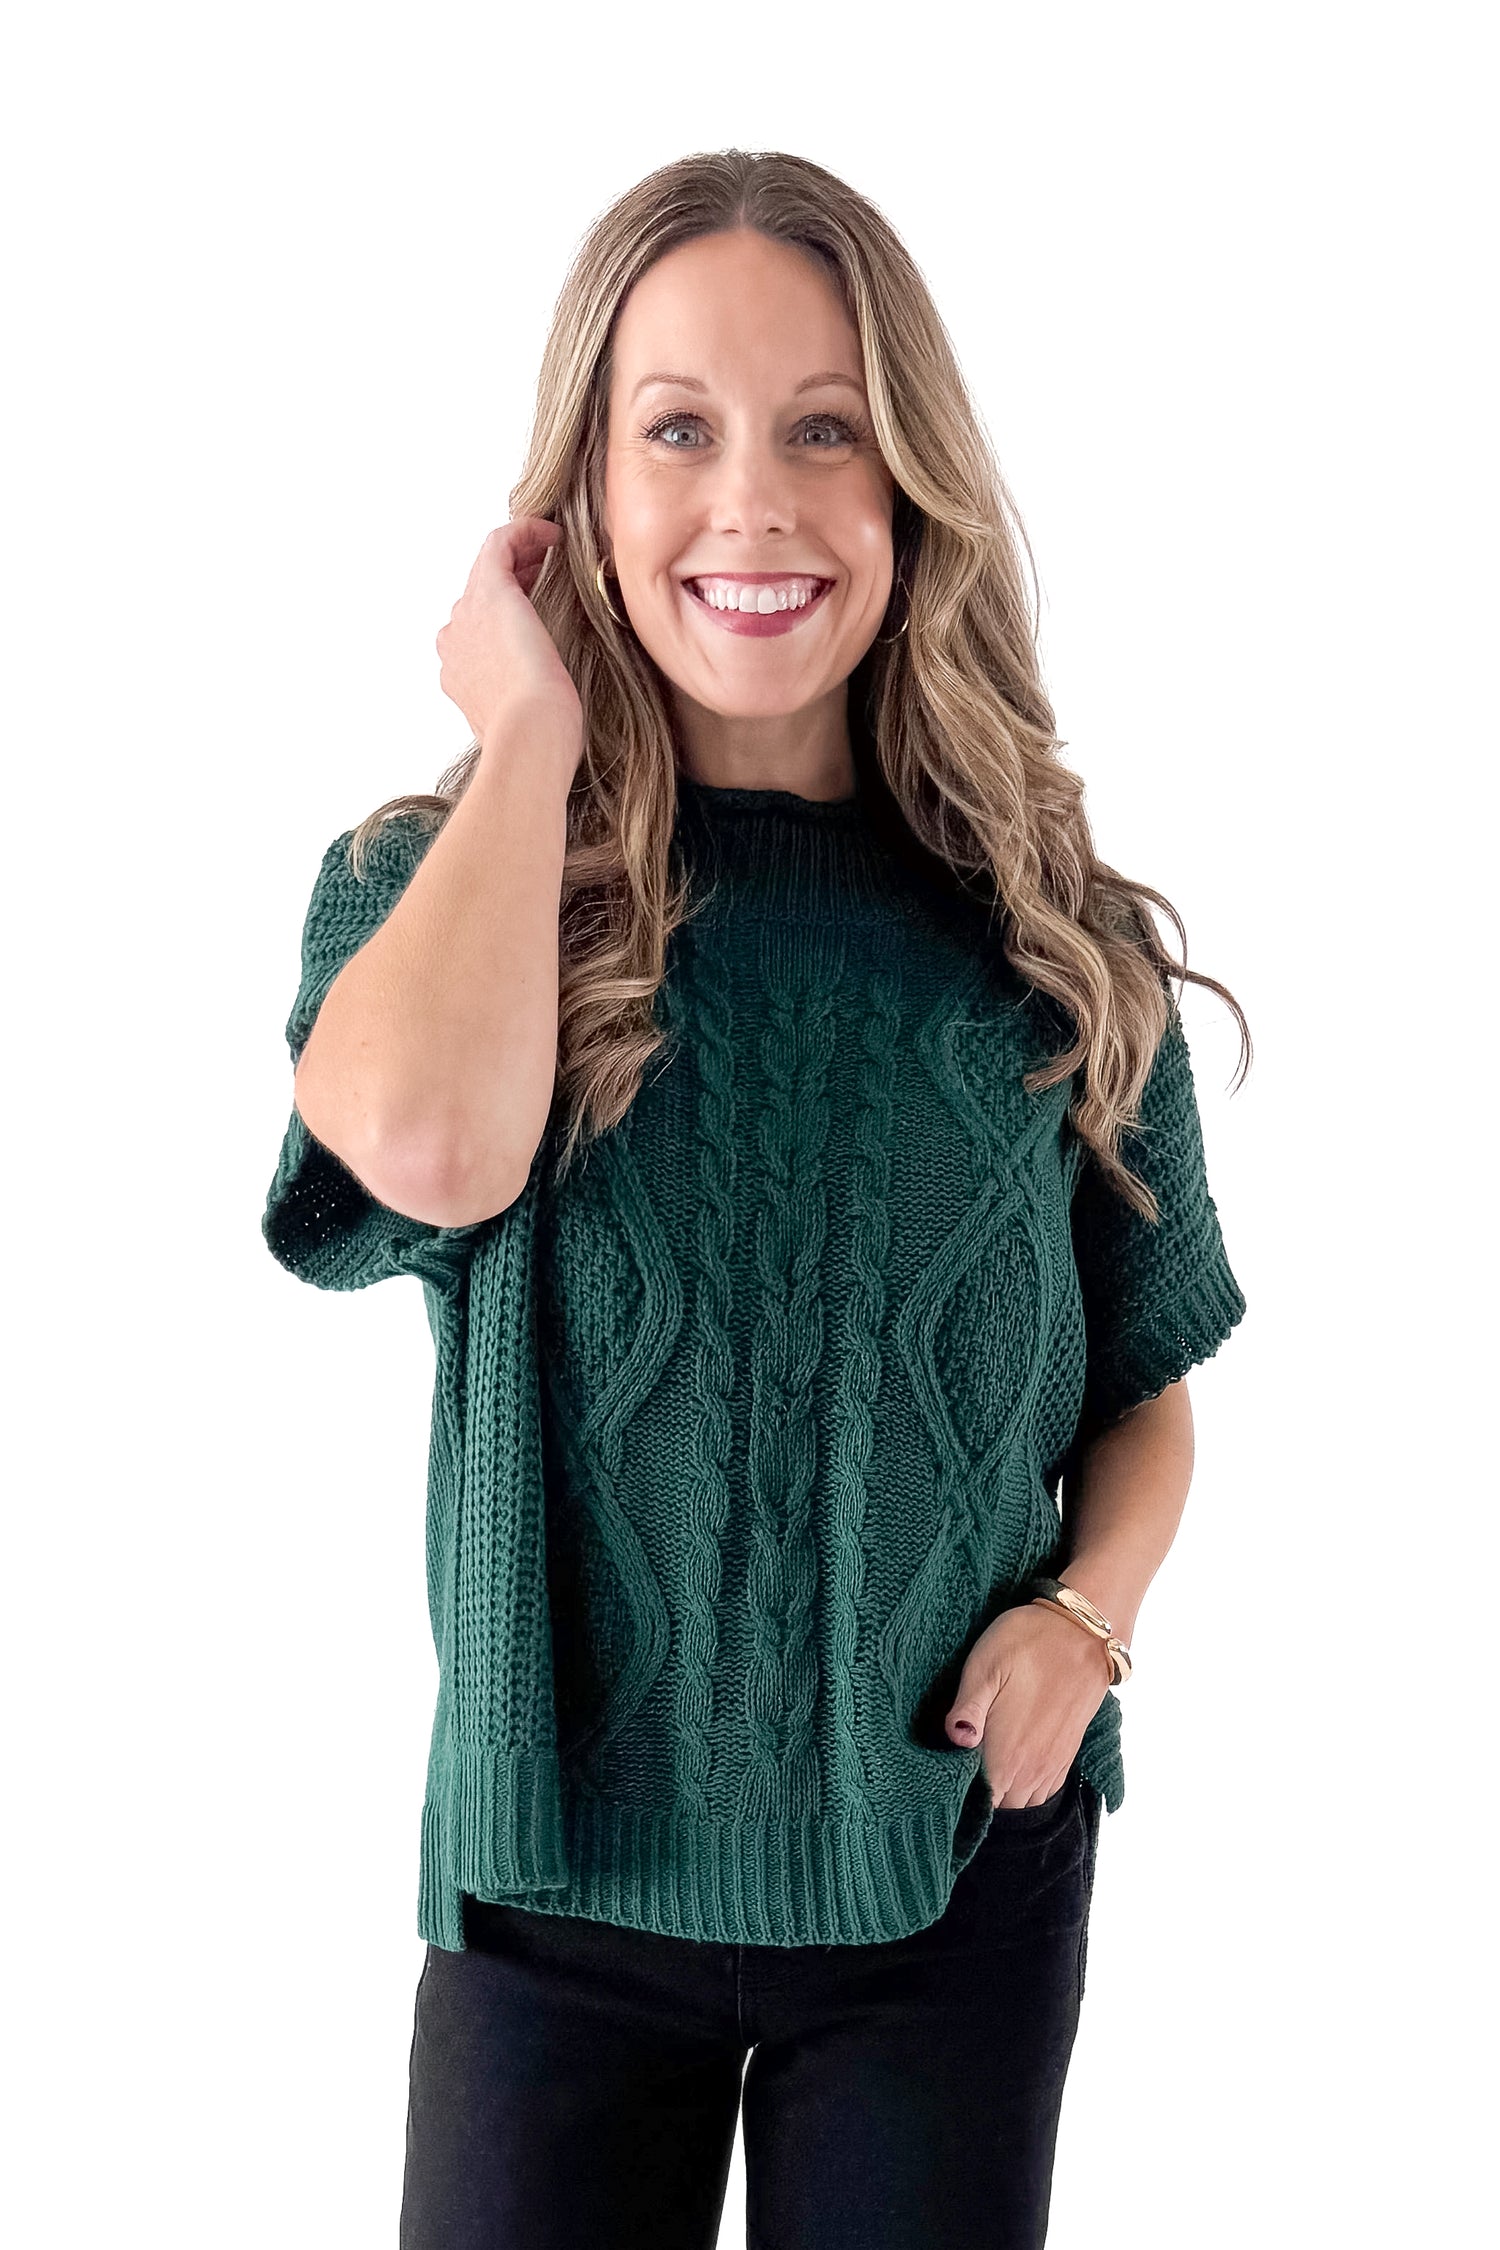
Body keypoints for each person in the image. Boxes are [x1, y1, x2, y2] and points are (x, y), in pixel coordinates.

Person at [263, 148, 1250, 2250]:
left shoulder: (1051, 936)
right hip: (555, 1900)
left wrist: (1090, 1623)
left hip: (947, 1880)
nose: (756, 504)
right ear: (582, 496)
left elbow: (1146, 1380)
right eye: (678, 432)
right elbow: (421, 1155)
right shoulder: (435, 891)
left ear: (912, 487)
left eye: (827, 432)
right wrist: (528, 744)